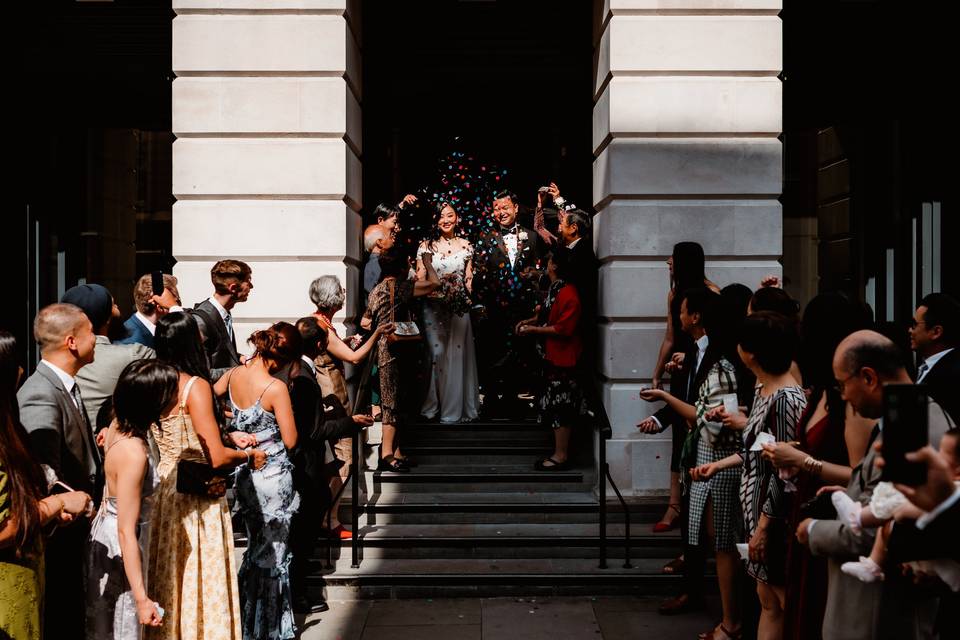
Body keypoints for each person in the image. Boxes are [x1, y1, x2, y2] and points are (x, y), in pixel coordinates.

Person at [796, 330, 950, 640]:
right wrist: (850, 493)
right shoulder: (913, 411)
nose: (843, 396)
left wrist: (812, 531)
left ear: (868, 377)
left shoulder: (910, 423)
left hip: (877, 617)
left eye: (842, 385)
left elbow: (880, 529)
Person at [758, 292, 873, 640]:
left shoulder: (854, 400)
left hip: (835, 522)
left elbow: (862, 479)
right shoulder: (824, 388)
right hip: (806, 514)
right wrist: (792, 453)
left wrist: (803, 461)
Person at [149, 312, 265, 640]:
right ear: (190, 342)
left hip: (166, 487)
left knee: (172, 576)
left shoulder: (153, 379)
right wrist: (247, 455)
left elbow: (183, 433)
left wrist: (229, 437)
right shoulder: (194, 386)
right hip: (197, 493)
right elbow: (213, 455)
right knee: (203, 576)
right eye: (199, 338)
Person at [639, 288, 742, 638]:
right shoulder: (696, 354)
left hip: (716, 456)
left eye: (682, 311)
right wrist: (665, 416)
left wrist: (666, 399)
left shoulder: (720, 361)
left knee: (721, 538)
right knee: (704, 532)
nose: (678, 318)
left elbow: (709, 417)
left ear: (696, 316)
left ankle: (734, 615)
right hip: (700, 454)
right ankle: (702, 595)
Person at [17, 303, 102, 638]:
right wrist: (69, 504)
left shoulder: (65, 385)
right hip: (60, 537)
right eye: (91, 332)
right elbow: (43, 469)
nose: (96, 339)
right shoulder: (41, 393)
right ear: (71, 341)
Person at [1, 330, 93, 640]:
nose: (21, 371)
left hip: (24, 582)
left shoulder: (8, 427)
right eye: (14, 363)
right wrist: (56, 504)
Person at [279, 317, 373, 614]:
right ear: (320, 345)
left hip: (299, 465)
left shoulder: (295, 370)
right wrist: (350, 423)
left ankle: (299, 579)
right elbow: (314, 432)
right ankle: (298, 594)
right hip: (304, 467)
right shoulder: (305, 378)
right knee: (301, 532)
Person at [215, 323, 301, 640]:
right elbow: (290, 440)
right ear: (282, 359)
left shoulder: (236, 374)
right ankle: (271, 627)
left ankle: (248, 621)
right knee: (275, 552)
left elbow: (211, 398)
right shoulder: (274, 388)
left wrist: (232, 429)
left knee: (254, 548)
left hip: (246, 476)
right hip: (274, 475)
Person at [85, 360, 178, 639]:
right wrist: (141, 599)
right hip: (122, 542)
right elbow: (126, 531)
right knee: (123, 627)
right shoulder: (134, 453)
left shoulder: (117, 423)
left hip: (111, 529)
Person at [732, 312, 806, 640]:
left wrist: (763, 527)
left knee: (783, 600)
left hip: (773, 520)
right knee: (768, 601)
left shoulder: (786, 399)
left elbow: (786, 473)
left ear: (751, 352)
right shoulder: (764, 390)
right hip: (757, 513)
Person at [308, 274, 393, 538]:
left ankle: (327, 517)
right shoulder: (320, 326)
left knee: (338, 461)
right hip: (331, 399)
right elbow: (355, 359)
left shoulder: (320, 323)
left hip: (330, 397)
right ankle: (329, 519)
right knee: (345, 460)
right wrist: (377, 333)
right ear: (335, 299)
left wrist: (347, 343)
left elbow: (336, 352)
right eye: (341, 291)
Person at [649, 242, 720, 535]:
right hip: (679, 371)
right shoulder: (674, 295)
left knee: (698, 432)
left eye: (673, 258)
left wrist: (688, 358)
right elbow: (669, 336)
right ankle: (675, 503)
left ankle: (695, 504)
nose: (668, 262)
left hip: (702, 369)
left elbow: (717, 338)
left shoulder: (712, 293)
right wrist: (656, 374)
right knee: (679, 435)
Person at [367, 247, 440, 471]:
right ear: (401, 267)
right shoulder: (400, 287)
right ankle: (386, 454)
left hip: (382, 347)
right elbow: (434, 284)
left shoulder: (376, 289)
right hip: (394, 350)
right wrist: (427, 263)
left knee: (396, 401)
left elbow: (365, 321)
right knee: (392, 402)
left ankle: (396, 450)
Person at [473, 189, 543, 418]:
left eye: (504, 208)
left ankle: (514, 400)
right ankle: (492, 400)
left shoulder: (531, 237)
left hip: (522, 308)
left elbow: (537, 271)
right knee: (493, 353)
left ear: (515, 208)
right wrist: (480, 305)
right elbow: (479, 273)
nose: (500, 213)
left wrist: (534, 295)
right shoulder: (485, 237)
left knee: (519, 354)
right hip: (494, 307)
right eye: (496, 209)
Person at [518, 250, 586, 470]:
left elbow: (563, 328)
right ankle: (558, 452)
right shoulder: (556, 289)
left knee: (561, 406)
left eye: (549, 260)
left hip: (563, 358)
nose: (546, 264)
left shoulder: (568, 292)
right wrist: (530, 321)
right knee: (554, 403)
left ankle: (561, 455)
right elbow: (547, 315)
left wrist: (533, 329)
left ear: (555, 266)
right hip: (552, 356)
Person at [416, 201, 480, 424]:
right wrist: (438, 289)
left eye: (450, 215)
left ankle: (455, 408)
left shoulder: (466, 245)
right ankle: (434, 405)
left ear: (457, 218)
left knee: (457, 356)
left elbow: (469, 280)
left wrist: (463, 294)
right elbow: (420, 281)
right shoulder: (426, 246)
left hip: (459, 308)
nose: (445, 220)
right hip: (433, 309)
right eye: (441, 216)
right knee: (436, 356)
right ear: (436, 220)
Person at [62, 283, 155, 427]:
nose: (117, 307)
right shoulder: (134, 354)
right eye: (112, 305)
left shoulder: (61, 357)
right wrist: (173, 310)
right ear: (105, 318)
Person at [190, 259, 254, 380]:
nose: (251, 286)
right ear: (233, 288)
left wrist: (239, 357)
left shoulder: (224, 313)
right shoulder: (201, 321)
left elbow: (219, 353)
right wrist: (242, 370)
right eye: (248, 281)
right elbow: (203, 373)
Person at [909, 292, 960, 423]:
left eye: (914, 324)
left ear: (936, 332)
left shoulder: (951, 376)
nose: (910, 330)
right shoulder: (930, 367)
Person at [118, 273, 180, 349]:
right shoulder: (133, 343)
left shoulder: (147, 331)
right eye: (175, 300)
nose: (179, 304)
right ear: (159, 306)